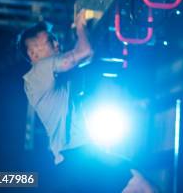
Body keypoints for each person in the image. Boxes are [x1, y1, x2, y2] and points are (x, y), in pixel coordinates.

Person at [19, 11, 155, 192]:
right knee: (141, 186)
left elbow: (86, 56)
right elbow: (85, 51)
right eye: (50, 42)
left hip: (78, 159)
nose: (57, 44)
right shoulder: (40, 71)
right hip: (76, 158)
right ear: (33, 53)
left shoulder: (49, 75)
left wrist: (82, 33)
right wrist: (80, 26)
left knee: (139, 185)